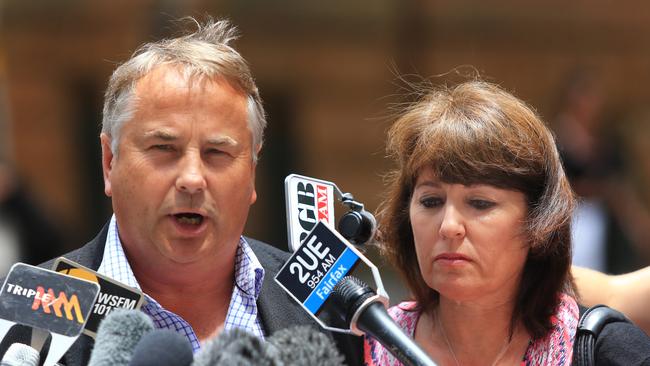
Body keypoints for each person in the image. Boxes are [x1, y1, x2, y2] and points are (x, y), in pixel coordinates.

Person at [0, 17, 360, 365]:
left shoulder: (331, 306)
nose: (192, 179)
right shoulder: (25, 317)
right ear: (110, 161)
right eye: (164, 149)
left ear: (252, 170)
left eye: (216, 153)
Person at [367, 80, 650, 365]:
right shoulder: (353, 346)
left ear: (539, 221)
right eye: (431, 202)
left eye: (480, 203)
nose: (449, 226)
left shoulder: (608, 352)